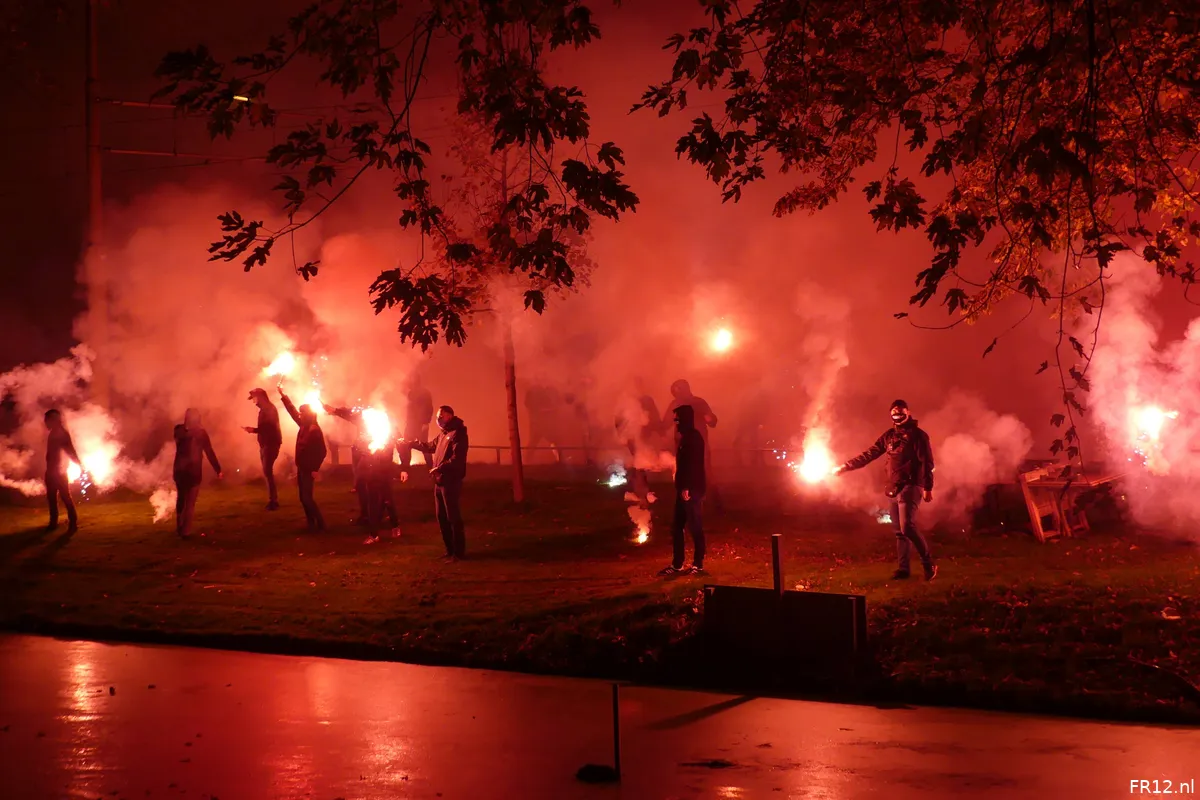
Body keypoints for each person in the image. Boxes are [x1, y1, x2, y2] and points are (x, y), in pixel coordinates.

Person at [833, 399, 938, 581]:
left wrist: (928, 487)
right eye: (894, 411)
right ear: (891, 414)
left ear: (908, 412)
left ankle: (929, 564)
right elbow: (870, 454)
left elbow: (927, 462)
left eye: (901, 410)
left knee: (907, 527)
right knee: (899, 532)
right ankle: (903, 570)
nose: (897, 413)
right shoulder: (889, 436)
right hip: (893, 487)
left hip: (911, 485)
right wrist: (845, 467)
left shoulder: (919, 436)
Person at [404, 405, 469, 560]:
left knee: (453, 517)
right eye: (437, 417)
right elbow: (429, 447)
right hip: (439, 482)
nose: (438, 420)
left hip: (451, 481)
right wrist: (410, 443)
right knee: (441, 517)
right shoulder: (443, 434)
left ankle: (458, 553)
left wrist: (439, 468)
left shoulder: (458, 433)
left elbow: (457, 459)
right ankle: (449, 550)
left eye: (440, 416)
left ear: (449, 415)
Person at [659, 404, 706, 576]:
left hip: (691, 490)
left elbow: (693, 466)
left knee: (695, 526)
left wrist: (688, 488)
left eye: (677, 419)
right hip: (683, 490)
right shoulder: (685, 438)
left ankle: (698, 564)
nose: (675, 423)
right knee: (677, 526)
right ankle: (677, 564)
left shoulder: (693, 438)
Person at [664, 379, 722, 510]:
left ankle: (715, 503)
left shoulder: (698, 402)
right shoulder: (675, 404)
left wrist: (709, 418)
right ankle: (690, 502)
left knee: (705, 472)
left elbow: (712, 421)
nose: (677, 394)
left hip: (698, 446)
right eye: (675, 392)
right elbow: (666, 424)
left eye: (678, 391)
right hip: (683, 446)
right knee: (685, 474)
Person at [280, 388, 328, 531]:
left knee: (307, 498)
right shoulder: (304, 425)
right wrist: (283, 396)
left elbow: (322, 452)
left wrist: (315, 469)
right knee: (303, 497)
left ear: (308, 415)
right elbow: (293, 412)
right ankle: (311, 523)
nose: (299, 415)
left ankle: (321, 524)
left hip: (309, 469)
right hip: (302, 467)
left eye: (302, 413)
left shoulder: (314, 430)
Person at [173, 409, 223, 538]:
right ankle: (184, 531)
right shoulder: (199, 433)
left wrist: (218, 469)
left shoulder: (178, 430)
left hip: (181, 471)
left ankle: (180, 528)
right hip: (192, 472)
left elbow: (182, 437)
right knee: (189, 502)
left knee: (182, 499)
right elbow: (209, 451)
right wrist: (218, 469)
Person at [325, 402, 372, 524]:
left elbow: (351, 415)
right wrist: (335, 410)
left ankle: (371, 514)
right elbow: (350, 415)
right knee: (361, 484)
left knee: (366, 483)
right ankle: (366, 514)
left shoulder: (375, 420)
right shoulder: (362, 418)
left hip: (368, 454)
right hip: (359, 450)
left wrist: (335, 411)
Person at [243, 388, 283, 510]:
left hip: (270, 444)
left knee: (267, 471)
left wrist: (254, 430)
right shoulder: (264, 410)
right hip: (265, 444)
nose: (253, 401)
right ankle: (273, 499)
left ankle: (273, 501)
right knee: (267, 472)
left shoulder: (269, 409)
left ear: (260, 397)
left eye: (254, 398)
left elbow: (269, 427)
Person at [43, 409, 81, 533]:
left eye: (47, 420)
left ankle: (72, 522)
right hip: (52, 471)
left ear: (53, 420)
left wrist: (78, 462)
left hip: (59, 472)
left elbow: (70, 450)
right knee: (52, 498)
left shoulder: (61, 434)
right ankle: (54, 522)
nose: (45, 423)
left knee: (65, 497)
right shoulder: (54, 433)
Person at [400, 376, 434, 468]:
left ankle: (431, 467)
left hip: (420, 424)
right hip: (411, 424)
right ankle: (406, 467)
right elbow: (410, 408)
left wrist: (426, 423)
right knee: (406, 445)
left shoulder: (425, 393)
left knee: (424, 446)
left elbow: (429, 408)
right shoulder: (411, 393)